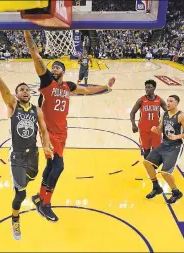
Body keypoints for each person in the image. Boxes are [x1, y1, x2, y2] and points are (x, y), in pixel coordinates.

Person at [24, 30, 115, 222]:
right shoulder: (46, 81)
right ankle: (45, 204)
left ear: (63, 72)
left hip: (62, 133)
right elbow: (37, 58)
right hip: (48, 134)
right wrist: (28, 37)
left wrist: (106, 87)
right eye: (53, 67)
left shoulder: (68, 86)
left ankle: (39, 196)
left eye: (58, 67)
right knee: (58, 167)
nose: (54, 68)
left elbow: (87, 91)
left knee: (50, 166)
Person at [0, 46, 53, 240]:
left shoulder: (37, 110)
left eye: (28, 89)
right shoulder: (12, 105)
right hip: (17, 155)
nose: (26, 91)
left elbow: (44, 131)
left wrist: (46, 144)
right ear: (16, 94)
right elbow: (0, 83)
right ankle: (15, 220)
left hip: (33, 154)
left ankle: (19, 182)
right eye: (22, 89)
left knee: (34, 175)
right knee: (21, 195)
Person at [143, 95, 184, 204]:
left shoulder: (181, 116)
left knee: (165, 173)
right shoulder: (164, 114)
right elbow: (160, 130)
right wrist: (155, 130)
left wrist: (177, 136)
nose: (168, 103)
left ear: (176, 104)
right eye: (167, 101)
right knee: (146, 162)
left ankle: (176, 192)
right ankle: (156, 187)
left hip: (175, 147)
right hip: (164, 144)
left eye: (170, 101)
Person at [130, 79, 167, 158]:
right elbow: (132, 112)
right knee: (146, 150)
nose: (147, 89)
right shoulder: (141, 100)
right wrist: (133, 125)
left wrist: (166, 123)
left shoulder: (159, 100)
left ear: (154, 88)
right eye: (146, 87)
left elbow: (168, 112)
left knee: (156, 149)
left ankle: (154, 167)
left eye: (149, 87)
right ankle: (148, 166)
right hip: (144, 129)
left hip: (156, 129)